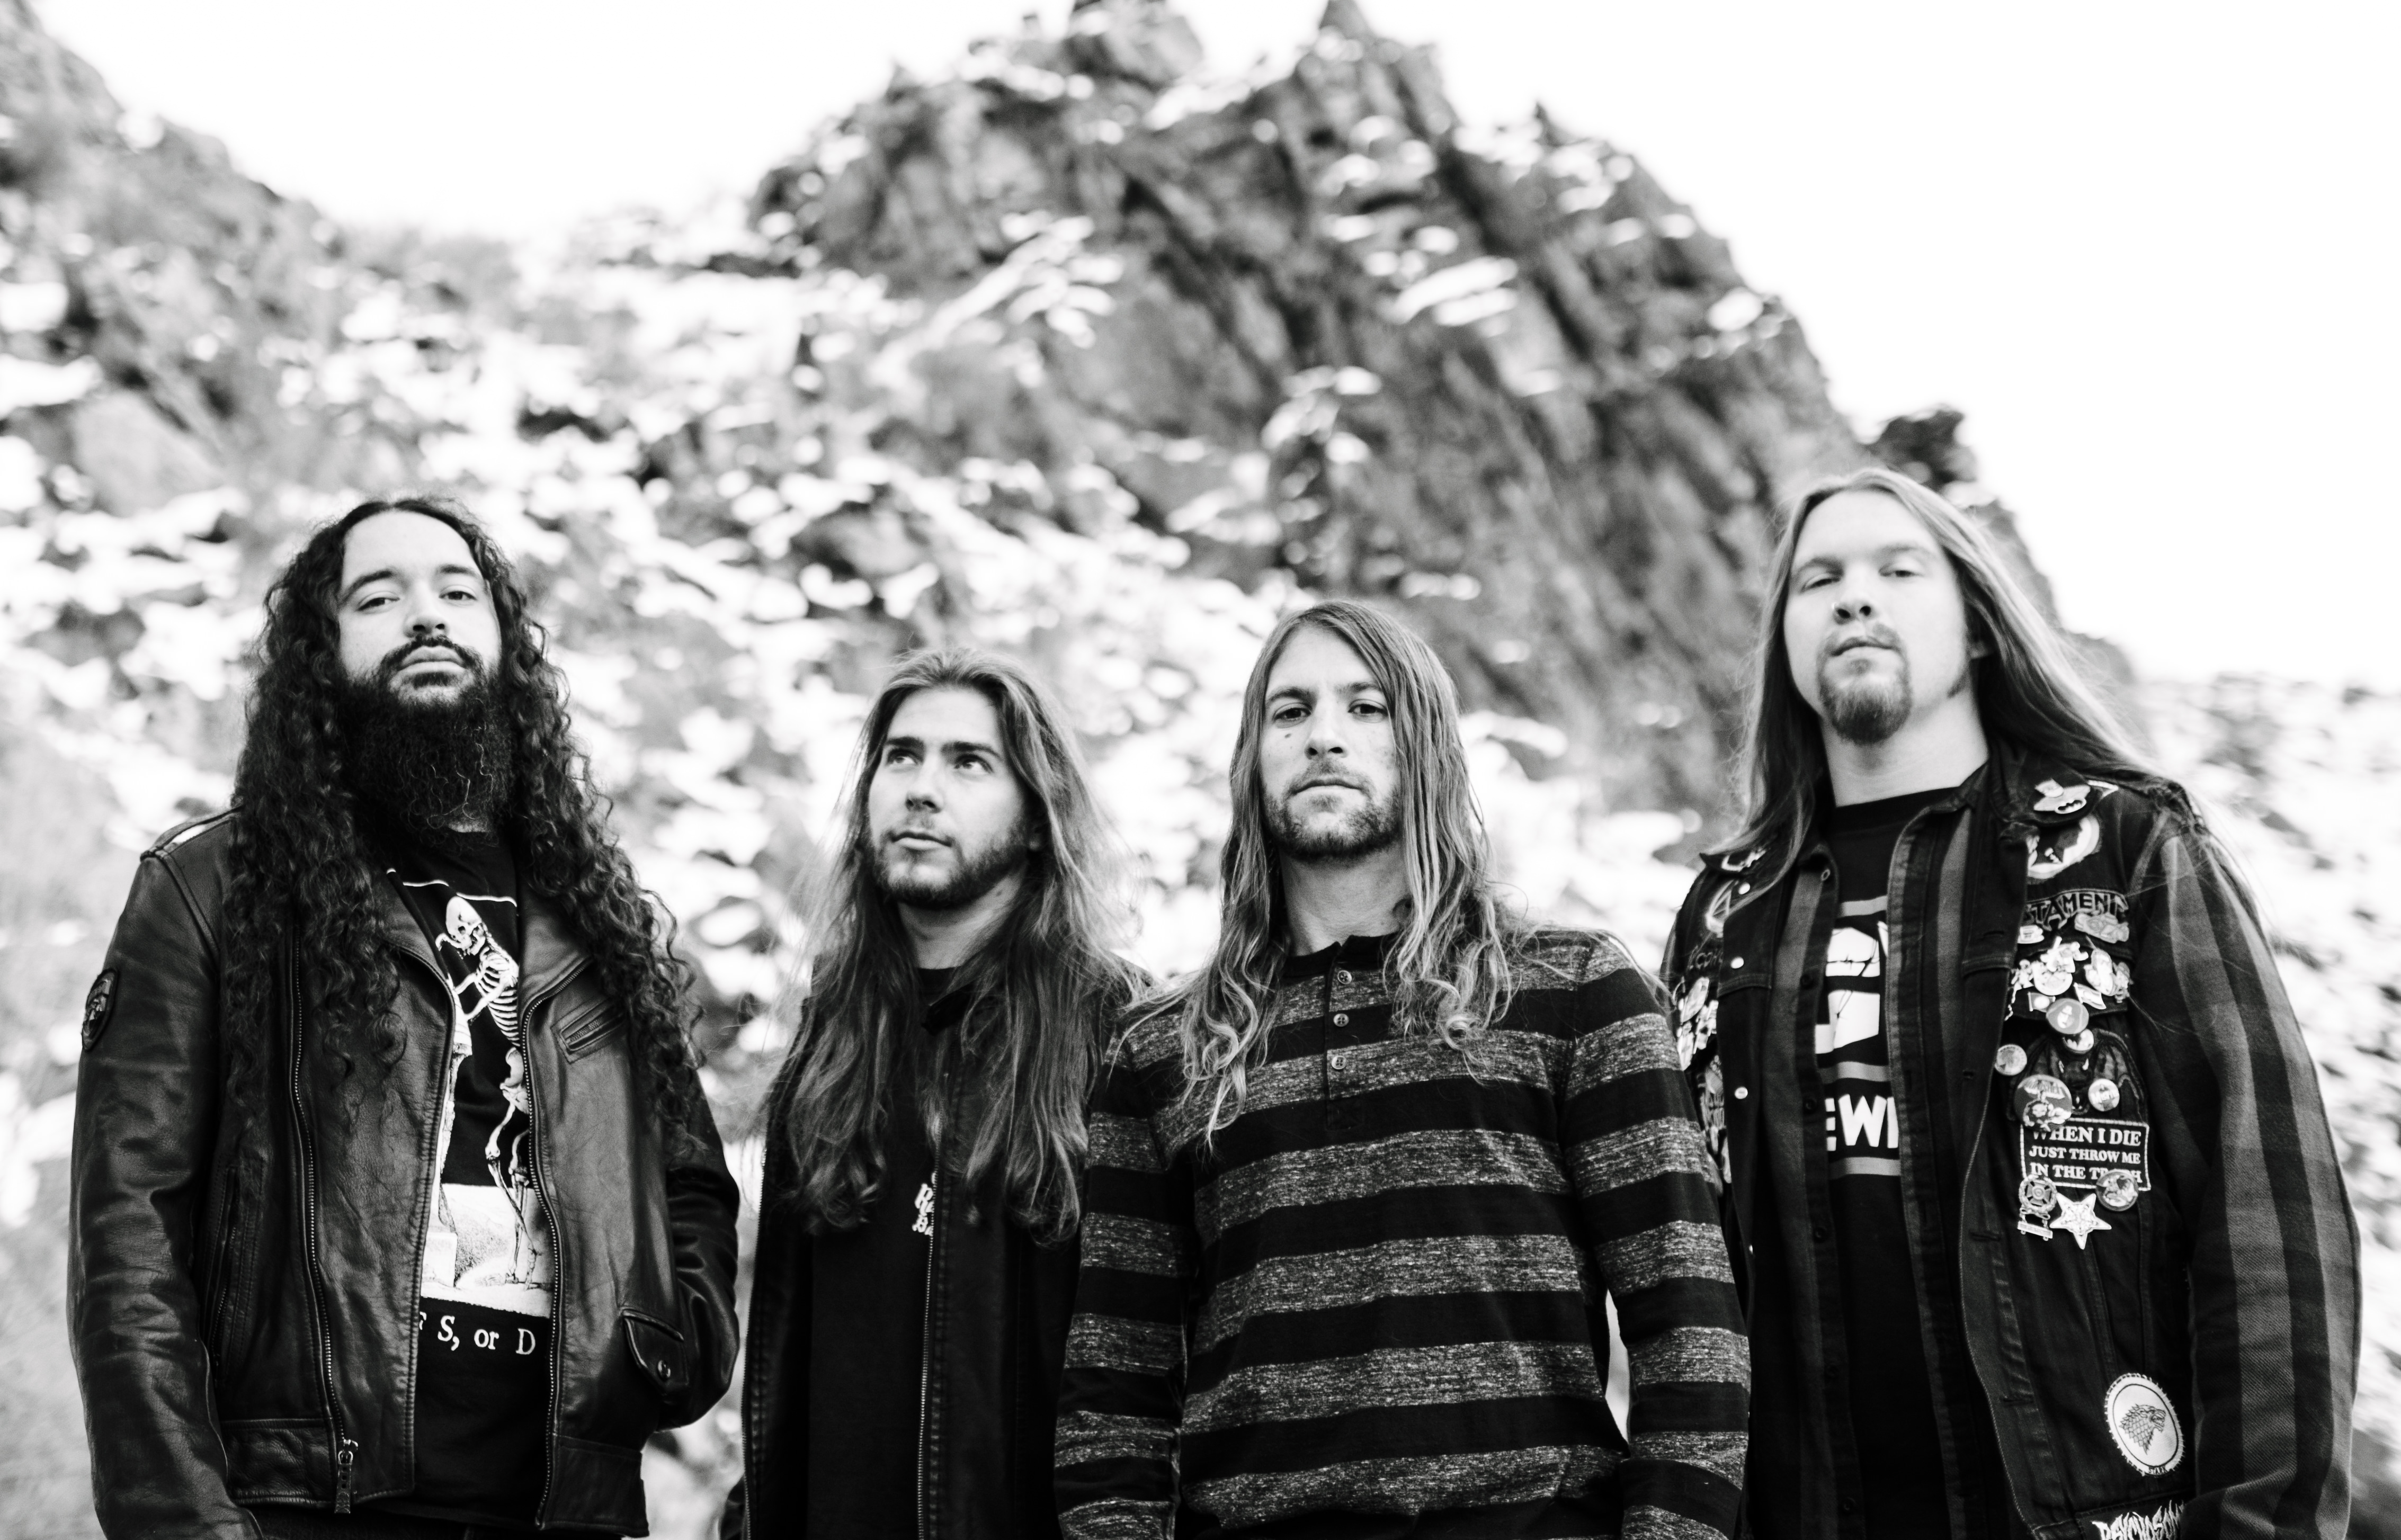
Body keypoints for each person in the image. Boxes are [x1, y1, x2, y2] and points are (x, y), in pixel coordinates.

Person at [1663, 467, 2358, 1539]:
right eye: (1817, 580)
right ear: (1786, 644)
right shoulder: (1724, 911)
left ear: (1978, 626)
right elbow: (1682, 1268)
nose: (1854, 597)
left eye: (1899, 570)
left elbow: (2268, 1218)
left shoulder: (2124, 851)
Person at [69, 497, 741, 1539]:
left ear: (506, 645)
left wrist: (660, 1343)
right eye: (377, 598)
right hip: (304, 1502)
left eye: (457, 592)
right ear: (321, 655)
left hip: (566, 1509)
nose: (426, 614)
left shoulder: (596, 918)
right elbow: (128, 1238)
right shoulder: (214, 887)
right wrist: (184, 1522)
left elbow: (688, 1182)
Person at [1057, 599, 1748, 1540]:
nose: (1323, 736)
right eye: (1290, 711)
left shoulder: (1575, 990)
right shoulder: (1161, 1049)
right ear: (1251, 759)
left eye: (1366, 707)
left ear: (1426, 746)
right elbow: (1114, 1394)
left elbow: (1689, 1330)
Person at [725, 647, 1146, 1540]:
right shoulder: (832, 1040)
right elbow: (783, 1373)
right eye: (901, 756)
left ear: (1036, 819)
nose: (922, 788)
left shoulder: (1117, 1038)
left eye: (969, 762)